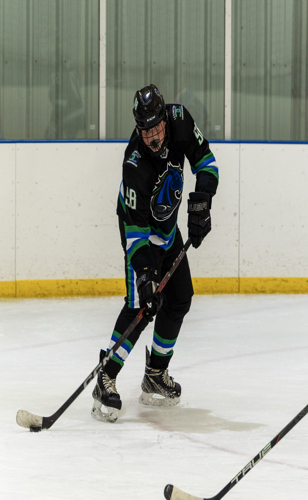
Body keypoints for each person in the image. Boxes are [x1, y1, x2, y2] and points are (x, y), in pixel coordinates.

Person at [91, 84, 219, 423]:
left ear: (164, 118)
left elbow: (206, 162)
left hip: (167, 229)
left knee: (179, 298)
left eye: (156, 127)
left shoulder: (180, 120)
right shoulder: (135, 164)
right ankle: (106, 374)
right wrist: (146, 275)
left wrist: (202, 204)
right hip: (142, 233)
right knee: (140, 306)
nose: (153, 137)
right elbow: (135, 235)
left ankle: (155, 374)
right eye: (145, 130)